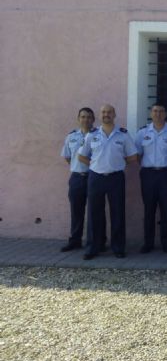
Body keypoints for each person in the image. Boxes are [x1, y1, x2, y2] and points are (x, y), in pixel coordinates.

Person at [78, 104, 138, 260]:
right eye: (104, 112)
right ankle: (93, 247)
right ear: (100, 115)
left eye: (109, 112)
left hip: (115, 177)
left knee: (117, 212)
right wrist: (94, 163)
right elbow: (81, 156)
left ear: (115, 114)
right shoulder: (92, 134)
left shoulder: (123, 135)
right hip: (95, 177)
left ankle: (118, 247)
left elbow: (133, 156)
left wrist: (119, 163)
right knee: (94, 213)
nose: (106, 114)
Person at [135, 103, 167, 254]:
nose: (158, 114)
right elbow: (138, 155)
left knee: (166, 209)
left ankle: (166, 242)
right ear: (151, 113)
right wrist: (150, 167)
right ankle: (148, 243)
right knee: (149, 210)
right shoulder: (142, 132)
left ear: (165, 114)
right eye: (155, 111)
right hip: (148, 174)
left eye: (161, 111)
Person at [60, 107, 96, 252]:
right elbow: (68, 157)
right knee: (76, 210)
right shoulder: (71, 136)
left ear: (93, 120)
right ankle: (75, 240)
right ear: (78, 119)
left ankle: (96, 241)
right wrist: (78, 168)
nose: (85, 119)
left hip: (93, 177)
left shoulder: (98, 135)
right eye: (83, 116)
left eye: (88, 117)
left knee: (95, 211)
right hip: (76, 177)